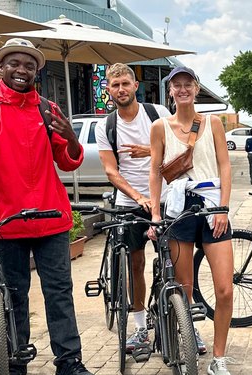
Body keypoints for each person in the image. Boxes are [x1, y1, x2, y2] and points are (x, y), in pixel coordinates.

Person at [0, 38, 97, 375]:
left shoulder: (47, 109)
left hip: (50, 217)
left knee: (59, 293)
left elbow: (67, 161)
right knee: (14, 294)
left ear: (37, 70)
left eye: (29, 65)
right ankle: (15, 360)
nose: (22, 70)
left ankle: (69, 360)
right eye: (14, 63)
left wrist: (72, 138)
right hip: (6, 221)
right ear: (1, 67)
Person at [147, 66, 235, 375]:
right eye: (176, 85)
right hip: (178, 206)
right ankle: (187, 338)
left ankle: (219, 358)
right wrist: (155, 214)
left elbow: (225, 166)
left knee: (224, 289)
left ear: (196, 89)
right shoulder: (160, 127)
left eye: (188, 84)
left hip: (212, 206)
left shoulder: (213, 123)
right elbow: (155, 172)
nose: (182, 89)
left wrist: (224, 207)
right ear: (169, 90)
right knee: (184, 291)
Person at [94, 63, 173, 357]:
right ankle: (140, 327)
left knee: (174, 262)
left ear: (135, 85)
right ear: (109, 89)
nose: (120, 90)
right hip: (130, 203)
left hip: (166, 199)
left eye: (125, 83)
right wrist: (139, 197)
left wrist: (151, 151)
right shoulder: (106, 126)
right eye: (115, 85)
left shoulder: (158, 114)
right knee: (135, 263)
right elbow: (111, 171)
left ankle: (181, 321)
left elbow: (179, 150)